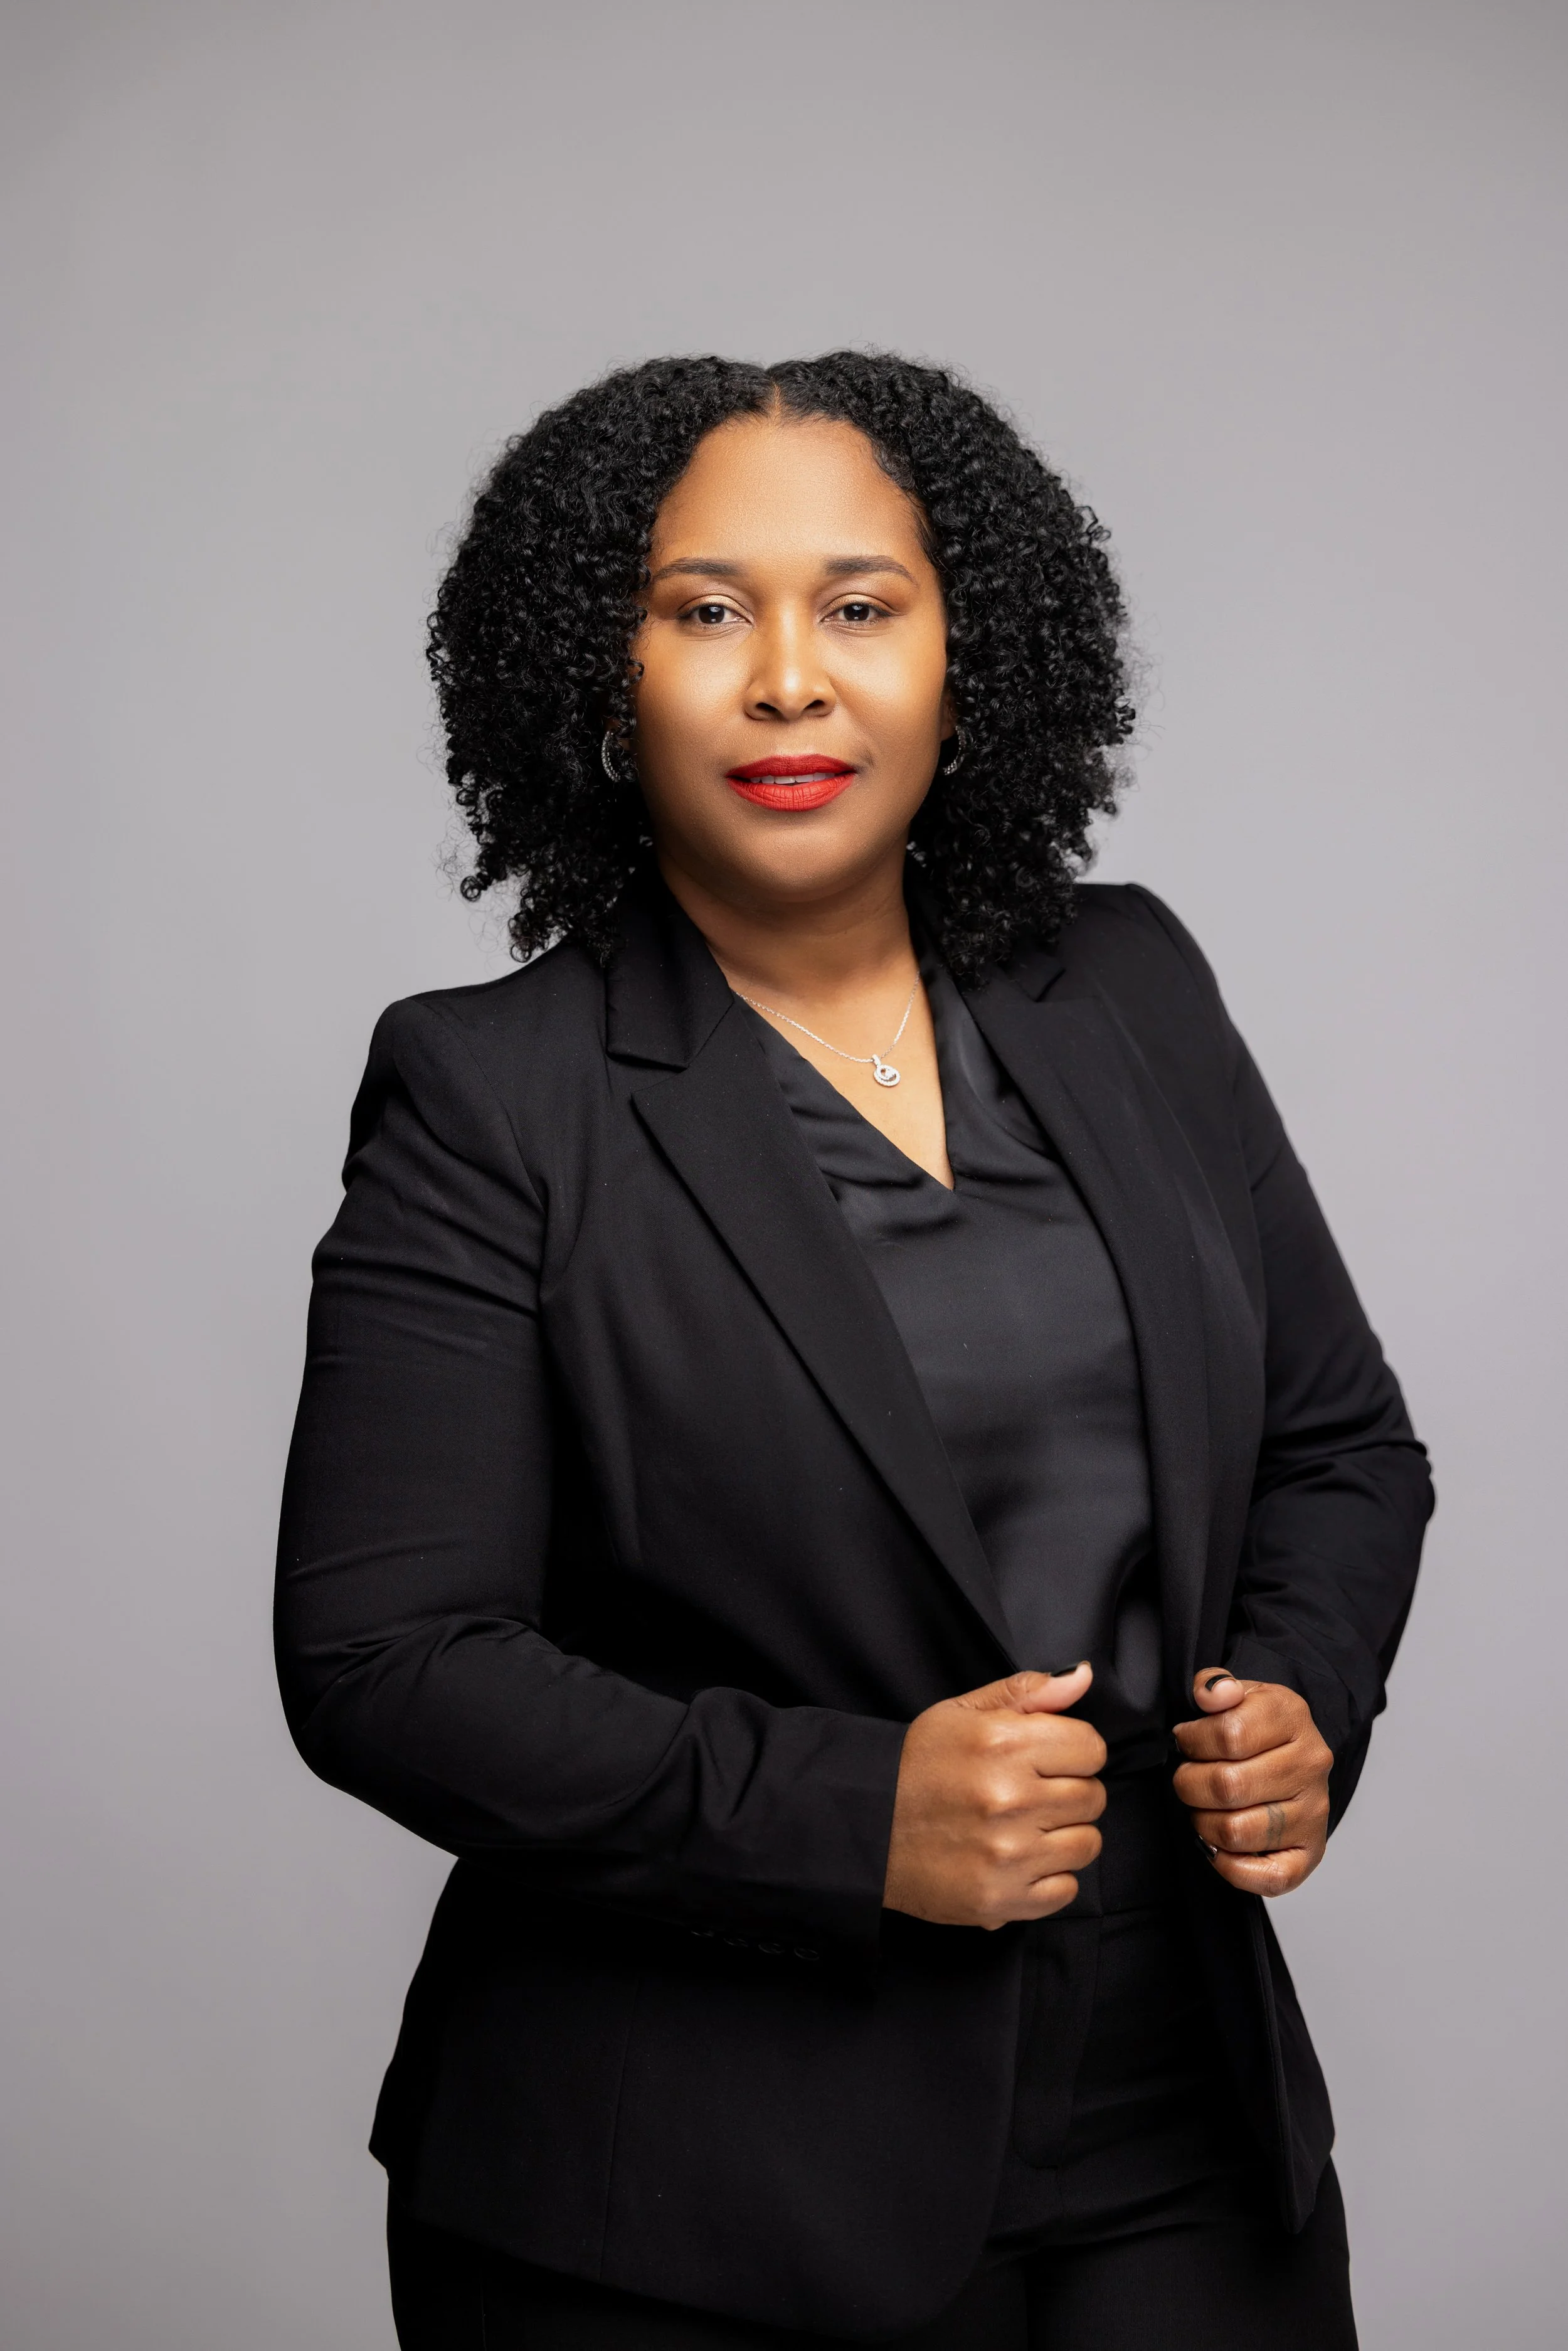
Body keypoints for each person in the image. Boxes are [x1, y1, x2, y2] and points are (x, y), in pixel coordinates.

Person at [275, 353, 1432, 2350]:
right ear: (599, 675)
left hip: (1183, 2125)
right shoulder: (491, 1094)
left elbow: (1338, 1445)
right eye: (706, 609)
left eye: (862, 604)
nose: (790, 679)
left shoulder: (1128, 983)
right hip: (689, 2195)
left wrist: (1298, 1697)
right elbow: (385, 1658)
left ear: (967, 660)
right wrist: (851, 1809)